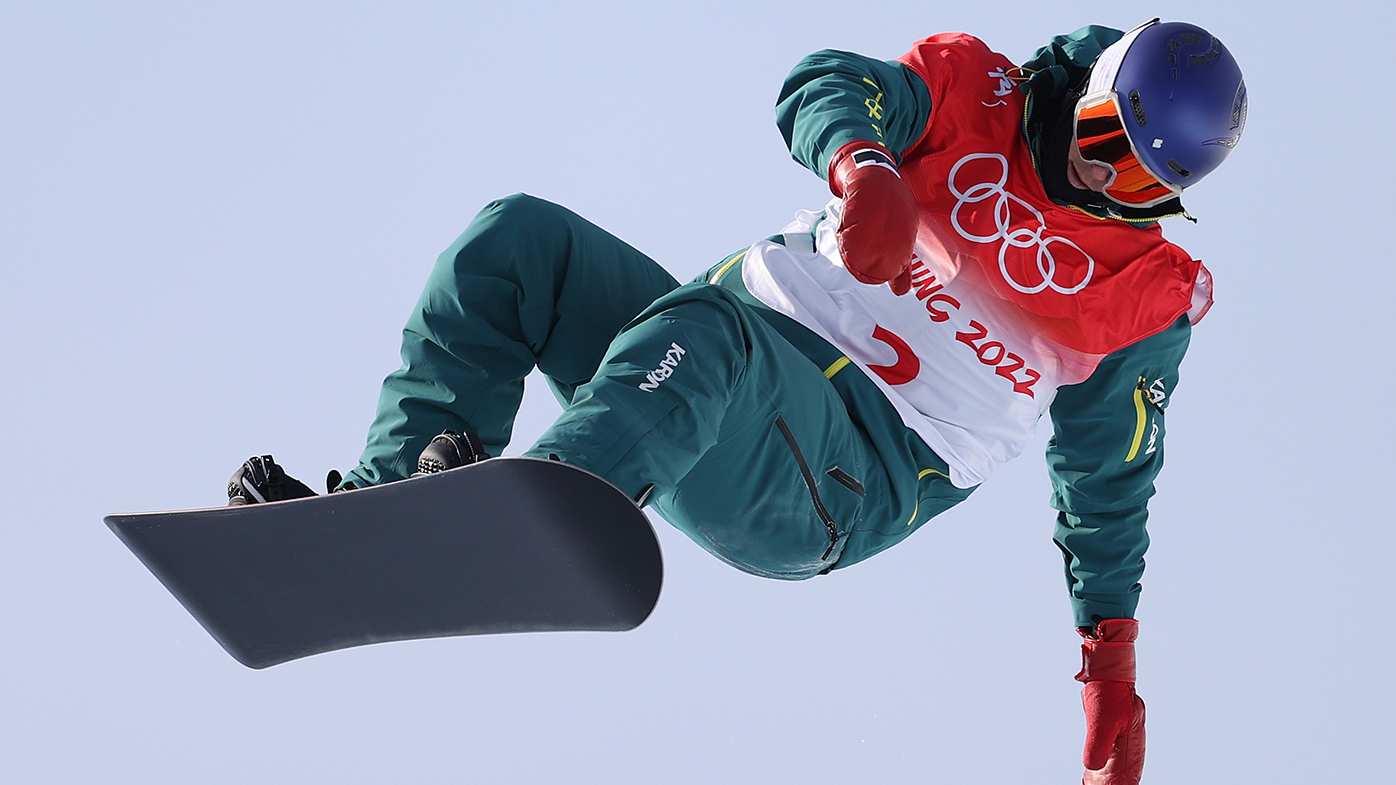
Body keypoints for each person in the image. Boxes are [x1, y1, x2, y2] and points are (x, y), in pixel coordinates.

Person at [228, 20, 1246, 785]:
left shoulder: (1146, 297)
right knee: (516, 241)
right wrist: (864, 163)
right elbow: (826, 82)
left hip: (842, 472)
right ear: (1090, 92)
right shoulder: (976, 89)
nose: (1096, 172)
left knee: (712, 339)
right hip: (682, 365)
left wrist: (1108, 662)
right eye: (1102, 135)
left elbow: (1108, 481)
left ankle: (535, 509)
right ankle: (382, 498)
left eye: (1134, 180)